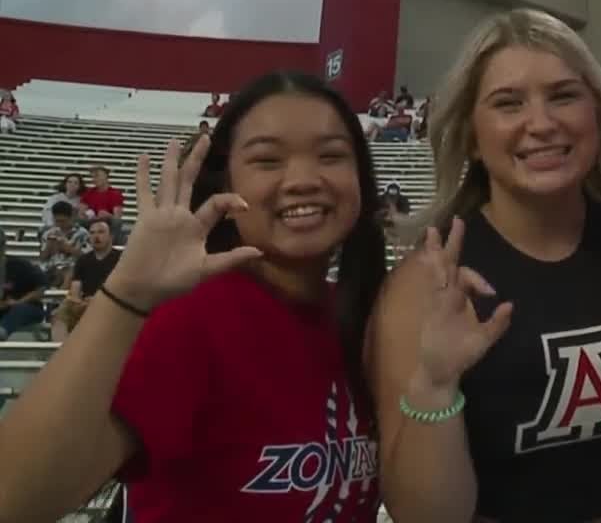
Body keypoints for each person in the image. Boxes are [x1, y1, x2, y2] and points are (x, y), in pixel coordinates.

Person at [368, 8, 601, 523]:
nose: (542, 123)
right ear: (473, 136)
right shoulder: (432, 281)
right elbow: (423, 515)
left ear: (597, 112)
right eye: (508, 103)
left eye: (564, 95)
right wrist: (435, 384)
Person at [0, 71, 388, 522]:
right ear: (227, 186)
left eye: (331, 155)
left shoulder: (375, 319)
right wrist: (127, 292)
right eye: (267, 160)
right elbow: (14, 500)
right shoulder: (191, 319)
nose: (303, 179)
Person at [51, 217, 121, 340]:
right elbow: (75, 288)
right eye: (92, 233)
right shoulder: (83, 260)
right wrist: (77, 301)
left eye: (101, 232)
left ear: (111, 236)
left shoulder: (121, 259)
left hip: (111, 306)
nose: (96, 236)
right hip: (85, 303)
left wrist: (96, 300)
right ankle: (60, 352)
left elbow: (122, 290)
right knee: (59, 315)